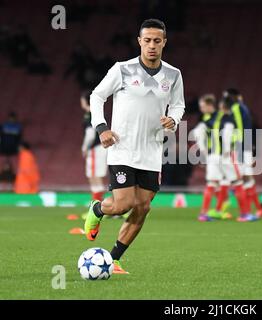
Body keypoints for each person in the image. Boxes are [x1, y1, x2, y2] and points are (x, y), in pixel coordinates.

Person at [84, 19, 185, 274]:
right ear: (139, 41)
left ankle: (114, 258)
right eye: (147, 40)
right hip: (123, 147)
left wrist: (173, 119)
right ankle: (97, 209)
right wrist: (101, 128)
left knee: (143, 207)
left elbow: (179, 104)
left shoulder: (173, 74)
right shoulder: (122, 69)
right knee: (122, 204)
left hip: (151, 150)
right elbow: (97, 96)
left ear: (164, 43)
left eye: (157, 41)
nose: (152, 45)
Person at [193, 95, 256, 222]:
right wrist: (227, 149)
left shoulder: (213, 119)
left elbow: (197, 131)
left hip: (212, 156)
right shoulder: (228, 119)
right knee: (237, 183)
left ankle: (203, 214)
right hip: (225, 156)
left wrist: (202, 149)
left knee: (211, 184)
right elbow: (227, 135)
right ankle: (244, 214)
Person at [221, 88, 262, 217]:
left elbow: (237, 129)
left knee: (240, 179)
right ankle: (254, 209)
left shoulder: (234, 110)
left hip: (240, 147)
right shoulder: (243, 108)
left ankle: (248, 211)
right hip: (245, 146)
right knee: (246, 178)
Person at [80, 91, 107, 201]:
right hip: (101, 147)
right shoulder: (97, 113)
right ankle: (101, 206)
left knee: (94, 177)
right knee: (96, 177)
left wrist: (84, 148)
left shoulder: (89, 115)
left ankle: (97, 207)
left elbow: (90, 134)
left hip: (95, 148)